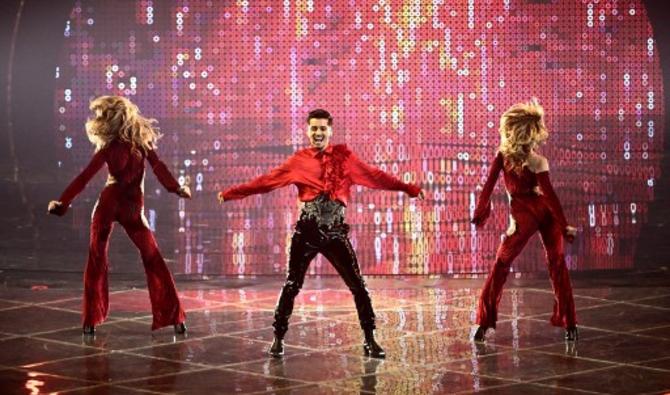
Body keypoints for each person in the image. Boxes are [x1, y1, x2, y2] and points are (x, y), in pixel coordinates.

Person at [218, 109, 424, 358]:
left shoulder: (345, 160)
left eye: (322, 128)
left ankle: (370, 340)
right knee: (292, 284)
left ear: (330, 130)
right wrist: (231, 193)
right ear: (307, 130)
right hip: (307, 232)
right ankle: (277, 339)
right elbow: (265, 181)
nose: (318, 133)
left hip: (335, 232)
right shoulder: (298, 160)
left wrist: (408, 188)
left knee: (358, 285)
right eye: (314, 128)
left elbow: (375, 176)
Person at [48, 96, 190, 335]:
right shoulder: (127, 146)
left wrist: (175, 188)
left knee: (128, 257)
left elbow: (158, 167)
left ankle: (171, 316)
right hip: (119, 205)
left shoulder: (135, 145)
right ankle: (93, 319)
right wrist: (63, 202)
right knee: (109, 257)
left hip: (124, 206)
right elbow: (85, 177)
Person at [471, 99, 578, 342]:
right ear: (532, 132)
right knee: (557, 264)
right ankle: (570, 324)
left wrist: (480, 213)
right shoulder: (537, 161)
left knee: (501, 265)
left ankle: (484, 324)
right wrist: (564, 227)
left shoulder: (504, 157)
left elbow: (488, 188)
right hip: (538, 214)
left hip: (525, 215)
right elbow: (550, 198)